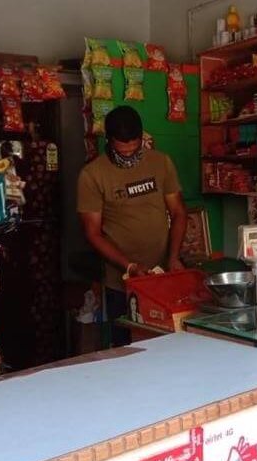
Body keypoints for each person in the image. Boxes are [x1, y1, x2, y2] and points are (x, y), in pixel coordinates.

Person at [78, 106, 187, 346]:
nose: (129, 156)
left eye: (134, 150)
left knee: (168, 345)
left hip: (164, 275)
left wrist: (174, 257)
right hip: (122, 282)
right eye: (122, 152)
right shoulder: (92, 175)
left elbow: (179, 212)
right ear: (109, 140)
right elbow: (93, 234)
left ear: (141, 138)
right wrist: (129, 266)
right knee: (127, 348)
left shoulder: (161, 163)